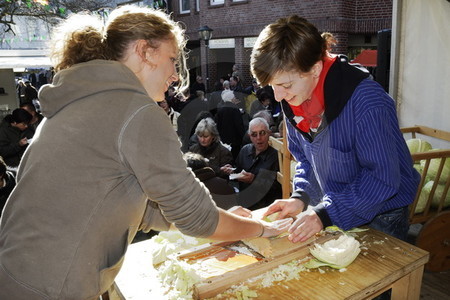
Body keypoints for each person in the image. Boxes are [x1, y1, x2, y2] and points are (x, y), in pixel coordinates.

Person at [0, 6, 292, 300]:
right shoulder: (135, 110)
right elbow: (196, 218)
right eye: (171, 60)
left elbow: (127, 199)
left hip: (18, 274)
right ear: (144, 51)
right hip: (53, 287)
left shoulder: (85, 99)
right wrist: (256, 228)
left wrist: (224, 219)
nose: (176, 75)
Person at [250, 15, 420, 242]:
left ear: (315, 69)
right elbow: (307, 161)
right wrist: (301, 197)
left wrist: (325, 214)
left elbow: (382, 178)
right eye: (272, 86)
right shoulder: (293, 99)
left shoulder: (368, 102)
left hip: (382, 216)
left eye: (285, 85)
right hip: (334, 208)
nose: (278, 96)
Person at [221, 117, 281, 210]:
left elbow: (278, 187)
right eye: (254, 134)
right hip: (245, 205)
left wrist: (254, 179)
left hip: (266, 208)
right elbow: (239, 170)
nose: (258, 138)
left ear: (269, 133)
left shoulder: (276, 156)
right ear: (249, 136)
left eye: (262, 133)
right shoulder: (245, 150)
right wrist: (231, 170)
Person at [215, 89, 246, 160]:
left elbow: (218, 125)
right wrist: (243, 136)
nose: (235, 98)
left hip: (224, 140)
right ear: (231, 99)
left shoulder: (220, 110)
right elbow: (239, 125)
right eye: (234, 97)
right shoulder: (235, 109)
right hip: (235, 140)